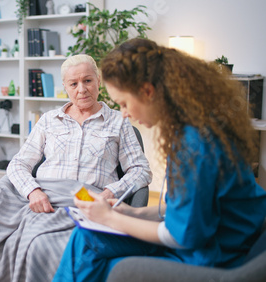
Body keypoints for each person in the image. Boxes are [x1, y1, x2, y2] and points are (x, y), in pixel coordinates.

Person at [53, 38, 266, 282]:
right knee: (85, 239)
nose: (125, 114)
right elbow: (192, 207)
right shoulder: (193, 127)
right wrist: (133, 213)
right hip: (217, 239)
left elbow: (180, 235)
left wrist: (111, 218)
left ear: (147, 92)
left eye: (124, 103)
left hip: (214, 254)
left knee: (92, 249)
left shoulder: (193, 144)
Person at [0, 54, 152, 282]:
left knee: (36, 243)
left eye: (88, 81)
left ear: (98, 80)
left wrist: (110, 192)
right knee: (1, 193)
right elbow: (19, 163)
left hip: (84, 197)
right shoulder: (48, 119)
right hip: (41, 194)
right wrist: (32, 191)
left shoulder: (118, 121)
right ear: (65, 87)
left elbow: (141, 169)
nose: (81, 89)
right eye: (73, 84)